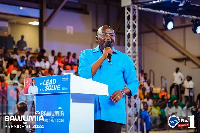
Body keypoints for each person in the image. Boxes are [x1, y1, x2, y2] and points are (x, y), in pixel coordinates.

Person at [78, 25, 139, 133]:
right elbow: (84, 76)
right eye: (104, 34)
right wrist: (103, 57)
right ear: (97, 37)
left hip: (113, 113)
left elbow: (133, 83)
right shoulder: (86, 55)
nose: (108, 37)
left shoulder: (124, 59)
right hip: (89, 113)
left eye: (111, 35)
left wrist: (122, 92)